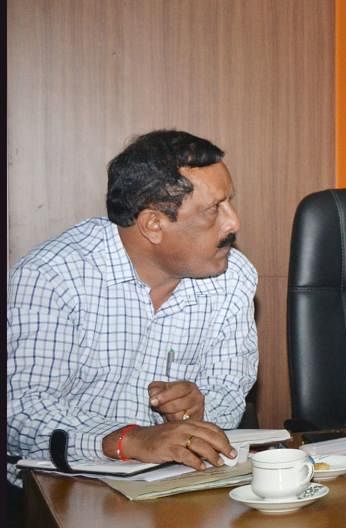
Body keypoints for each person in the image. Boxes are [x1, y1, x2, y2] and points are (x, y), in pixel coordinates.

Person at [7, 130, 257, 489]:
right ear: (153, 224)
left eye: (229, 202)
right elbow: (20, 415)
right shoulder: (52, 277)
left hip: (177, 487)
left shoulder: (233, 277)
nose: (233, 223)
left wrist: (199, 410)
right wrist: (127, 441)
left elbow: (230, 393)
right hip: (58, 490)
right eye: (214, 210)